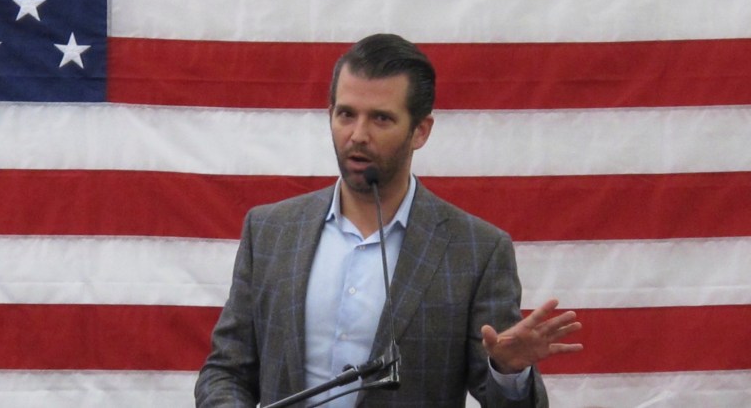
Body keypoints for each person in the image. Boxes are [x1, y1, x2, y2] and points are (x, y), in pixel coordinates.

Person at [194, 33, 583, 407]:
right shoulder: (270, 232)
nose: (358, 135)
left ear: (420, 131)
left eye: (381, 119)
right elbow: (225, 373)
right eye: (346, 114)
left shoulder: (477, 250)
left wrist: (508, 372)